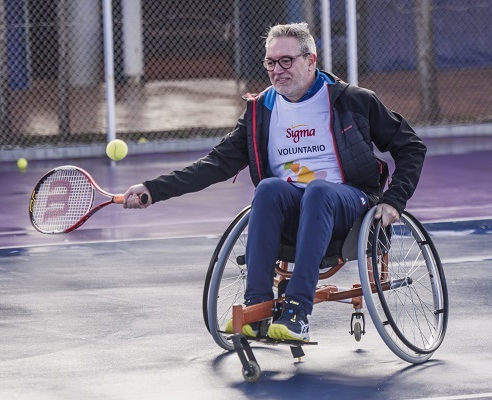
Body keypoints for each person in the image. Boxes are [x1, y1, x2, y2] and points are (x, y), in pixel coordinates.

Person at [122, 22, 426, 342]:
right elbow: (215, 164)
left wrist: (394, 201)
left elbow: (411, 147)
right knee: (268, 188)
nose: (277, 70)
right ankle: (257, 308)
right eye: (270, 62)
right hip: (297, 211)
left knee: (319, 191)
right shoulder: (260, 111)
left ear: (311, 60)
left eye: (286, 61)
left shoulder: (353, 101)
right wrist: (153, 189)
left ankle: (297, 310)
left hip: (352, 204)